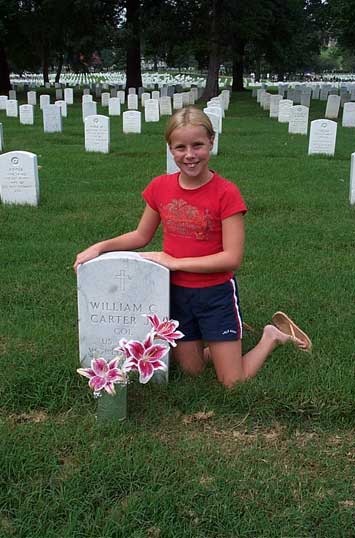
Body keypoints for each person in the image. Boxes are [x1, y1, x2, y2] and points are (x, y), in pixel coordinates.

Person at [74, 106, 309, 388]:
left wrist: (175, 262)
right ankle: (227, 345)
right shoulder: (160, 187)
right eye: (180, 147)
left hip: (215, 294)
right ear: (170, 149)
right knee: (192, 369)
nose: (189, 155)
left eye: (198, 145)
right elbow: (140, 235)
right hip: (175, 294)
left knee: (232, 382)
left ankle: (270, 336)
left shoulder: (226, 193)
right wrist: (100, 247)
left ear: (211, 142)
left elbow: (232, 258)